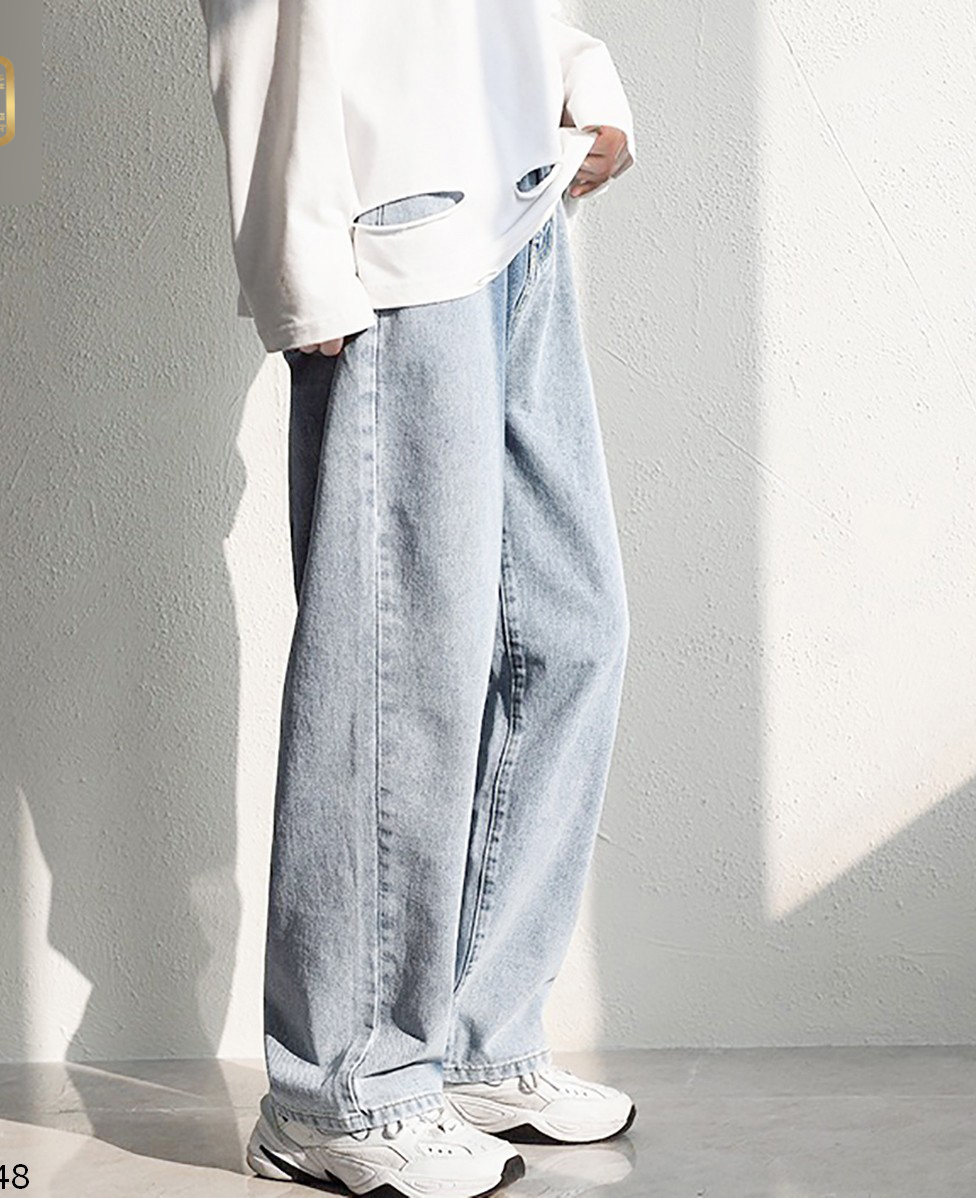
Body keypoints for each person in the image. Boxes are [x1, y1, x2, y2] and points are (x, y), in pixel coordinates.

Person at [198, 2, 637, 1194]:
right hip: (397, 226)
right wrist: (295, 263)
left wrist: (576, 75)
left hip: (519, 200)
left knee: (571, 633)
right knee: (399, 664)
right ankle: (340, 1092)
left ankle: (478, 1041)